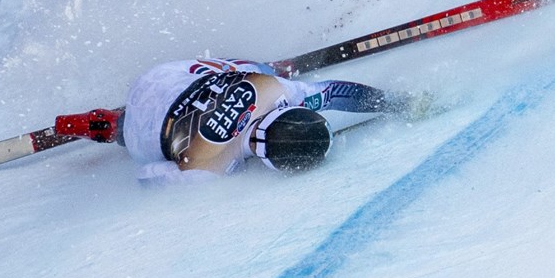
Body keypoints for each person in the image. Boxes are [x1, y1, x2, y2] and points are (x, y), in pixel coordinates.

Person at [55, 58, 428, 184]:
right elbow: (148, 175)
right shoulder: (209, 169)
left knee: (256, 69)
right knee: (147, 143)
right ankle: (111, 127)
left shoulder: (273, 89)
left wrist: (397, 102)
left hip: (170, 74)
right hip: (139, 130)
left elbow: (337, 92)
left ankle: (116, 124)